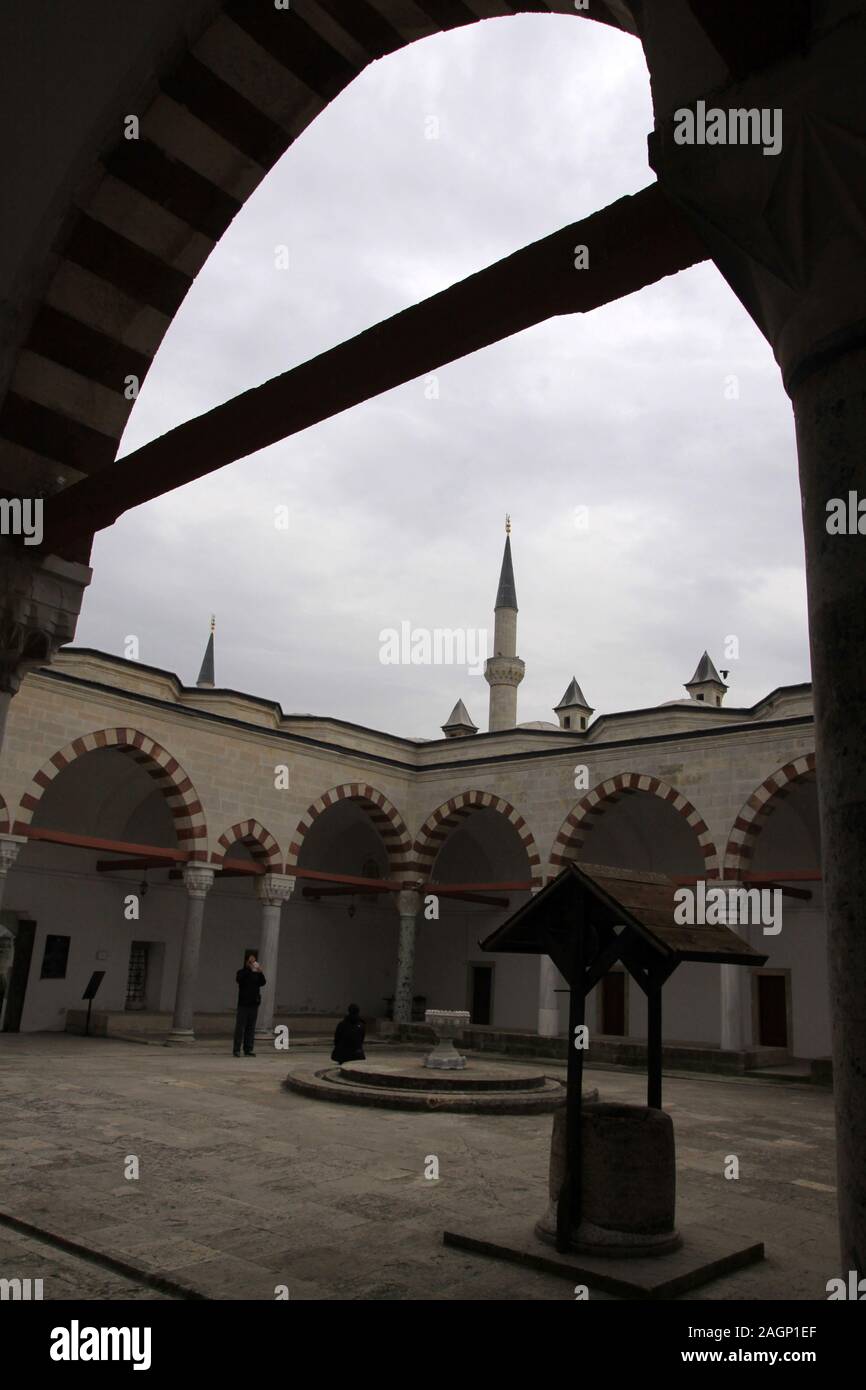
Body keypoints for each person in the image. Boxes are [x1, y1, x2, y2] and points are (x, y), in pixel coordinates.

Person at [233, 953, 266, 1057]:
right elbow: (239, 979)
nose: (253, 963)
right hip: (243, 1005)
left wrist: (260, 972)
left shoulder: (256, 974)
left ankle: (248, 1049)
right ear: (246, 962)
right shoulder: (242, 972)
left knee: (250, 1028)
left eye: (254, 961)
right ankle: (237, 1049)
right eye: (251, 961)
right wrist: (248, 968)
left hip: (253, 1004)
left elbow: (263, 982)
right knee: (240, 1028)